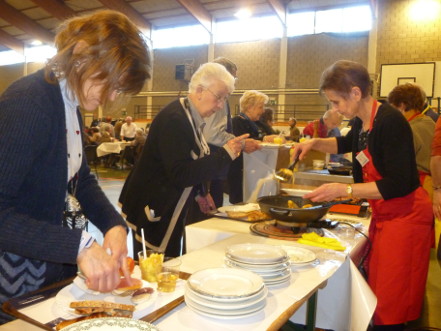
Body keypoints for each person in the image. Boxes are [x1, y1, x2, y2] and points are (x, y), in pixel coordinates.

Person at [0, 10, 151, 324]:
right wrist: (79, 245)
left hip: (48, 272)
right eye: (108, 83)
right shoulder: (29, 102)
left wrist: (113, 225)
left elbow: (78, 177)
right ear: (81, 55)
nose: (110, 96)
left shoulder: (68, 100)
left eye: (118, 89)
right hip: (13, 281)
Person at [293, 60, 433, 330]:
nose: (334, 109)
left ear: (356, 93)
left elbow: (400, 183)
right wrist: (313, 142)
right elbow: (345, 143)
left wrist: (345, 190)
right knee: (378, 295)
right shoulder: (361, 121)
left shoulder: (390, 122)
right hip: (386, 215)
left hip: (406, 217)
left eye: (336, 102)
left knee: (391, 303)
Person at [119, 62, 248, 257]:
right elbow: (180, 173)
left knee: (169, 262)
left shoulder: (189, 114)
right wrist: (226, 153)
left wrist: (200, 193)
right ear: (199, 90)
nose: (221, 105)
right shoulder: (175, 119)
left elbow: (188, 161)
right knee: (156, 269)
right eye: (219, 97)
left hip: (168, 203)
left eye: (224, 99)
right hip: (153, 205)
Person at [202, 57, 261, 208]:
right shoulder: (216, 96)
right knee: (210, 213)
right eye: (233, 78)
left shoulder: (208, 94)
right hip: (210, 167)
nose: (234, 82)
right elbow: (212, 134)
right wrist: (241, 143)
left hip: (212, 167)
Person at [227, 90, 279, 204]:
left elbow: (273, 136)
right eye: (260, 107)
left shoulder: (260, 124)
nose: (263, 110)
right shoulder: (236, 123)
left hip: (260, 173)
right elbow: (240, 143)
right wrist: (263, 140)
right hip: (241, 174)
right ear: (250, 107)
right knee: (242, 203)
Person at [388, 83, 435, 200]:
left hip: (419, 188)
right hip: (432, 185)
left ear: (402, 106)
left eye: (393, 108)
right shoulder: (430, 122)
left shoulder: (409, 129)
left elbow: (396, 165)